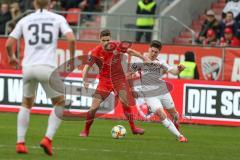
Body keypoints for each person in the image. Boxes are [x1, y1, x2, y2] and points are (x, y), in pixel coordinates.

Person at [5, 0, 75, 156]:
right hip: (46, 67)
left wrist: (12, 58)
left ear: (34, 3)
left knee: (26, 103)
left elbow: (9, 44)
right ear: (50, 3)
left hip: (28, 68)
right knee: (60, 102)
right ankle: (47, 139)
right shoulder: (57, 18)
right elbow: (71, 39)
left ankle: (20, 143)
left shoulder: (25, 19)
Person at [79, 29, 148, 137]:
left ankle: (134, 129)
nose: (106, 42)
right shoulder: (95, 52)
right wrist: (85, 80)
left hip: (118, 79)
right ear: (99, 40)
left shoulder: (116, 45)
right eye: (103, 40)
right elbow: (86, 68)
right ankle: (86, 131)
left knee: (125, 102)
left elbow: (130, 51)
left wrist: (144, 58)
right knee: (94, 108)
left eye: (108, 40)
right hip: (104, 81)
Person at [131, 40, 187, 142]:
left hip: (163, 91)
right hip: (149, 95)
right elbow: (129, 73)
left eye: (156, 52)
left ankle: (176, 126)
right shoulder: (139, 61)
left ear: (159, 53)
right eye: (152, 51)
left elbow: (174, 72)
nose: (153, 53)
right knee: (161, 114)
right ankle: (180, 136)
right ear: (149, 49)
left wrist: (179, 69)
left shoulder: (161, 62)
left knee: (174, 114)